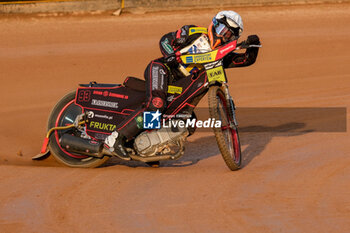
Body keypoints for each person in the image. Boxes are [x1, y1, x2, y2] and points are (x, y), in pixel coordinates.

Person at [104, 10, 261, 160]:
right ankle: (114, 139)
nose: (222, 36)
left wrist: (254, 47)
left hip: (178, 86)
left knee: (187, 121)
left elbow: (245, 60)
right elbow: (166, 39)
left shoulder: (221, 56)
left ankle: (147, 148)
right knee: (156, 104)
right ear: (214, 23)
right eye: (221, 29)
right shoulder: (195, 32)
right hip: (162, 69)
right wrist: (170, 55)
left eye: (229, 35)